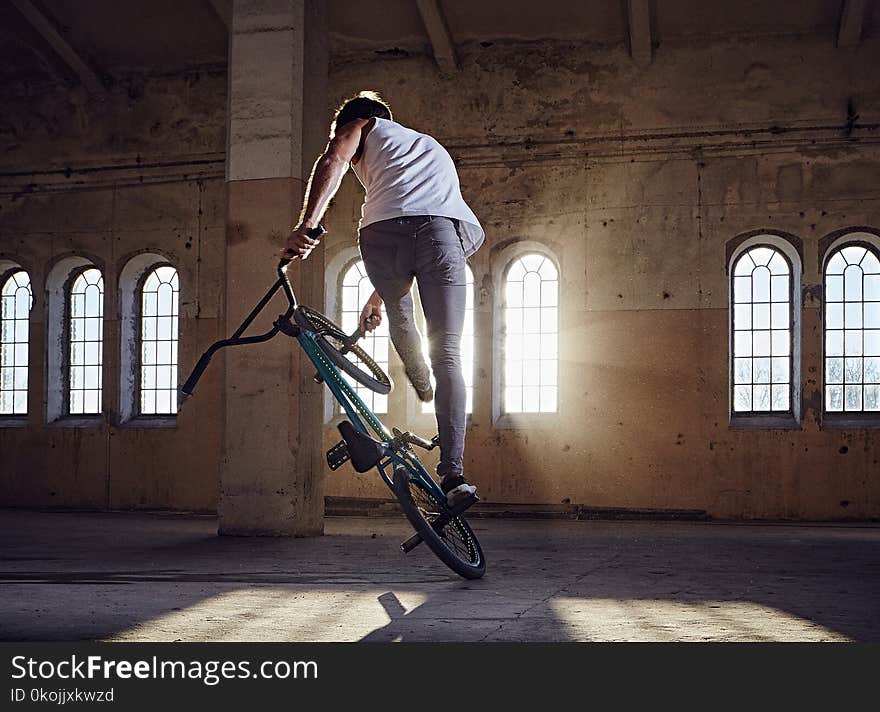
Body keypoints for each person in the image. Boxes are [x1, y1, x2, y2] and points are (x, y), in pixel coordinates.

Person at [280, 91, 484, 506]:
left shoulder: (362, 126)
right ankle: (454, 475)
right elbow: (427, 227)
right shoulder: (429, 146)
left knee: (401, 312)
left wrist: (308, 227)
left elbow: (333, 161)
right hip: (441, 234)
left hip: (382, 237)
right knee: (448, 352)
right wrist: (375, 295)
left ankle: (418, 374)